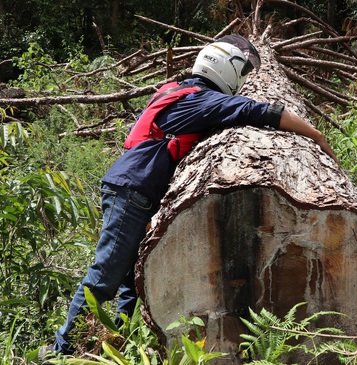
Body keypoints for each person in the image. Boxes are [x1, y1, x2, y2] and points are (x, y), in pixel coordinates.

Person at [39, 34, 337, 361]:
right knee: (105, 277)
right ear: (227, 71)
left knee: (127, 283)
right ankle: (61, 351)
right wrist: (317, 135)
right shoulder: (202, 100)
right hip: (134, 189)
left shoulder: (175, 89)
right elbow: (261, 111)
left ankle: (111, 344)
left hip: (130, 186)